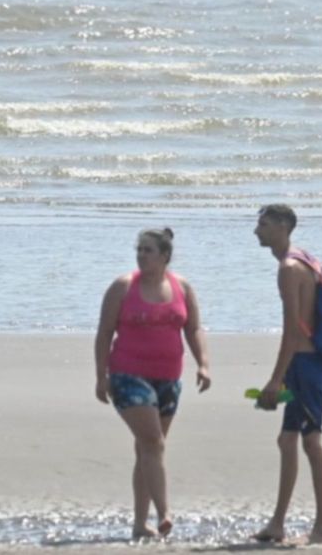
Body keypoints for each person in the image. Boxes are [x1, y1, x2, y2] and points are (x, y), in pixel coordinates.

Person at [94, 227, 211, 540]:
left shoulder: (182, 287)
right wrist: (100, 376)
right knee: (154, 444)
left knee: (147, 450)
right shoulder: (123, 287)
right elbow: (104, 332)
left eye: (148, 250)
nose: (141, 255)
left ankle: (139, 524)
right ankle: (164, 513)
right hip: (127, 374)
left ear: (164, 256)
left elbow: (194, 328)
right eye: (139, 249)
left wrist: (203, 364)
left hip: (169, 378)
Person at [251, 204, 322, 545]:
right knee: (288, 440)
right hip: (305, 363)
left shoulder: (289, 267)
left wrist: (275, 378)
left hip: (306, 364)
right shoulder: (305, 259)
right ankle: (277, 524)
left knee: (311, 441)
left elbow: (292, 331)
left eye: (264, 224)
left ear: (284, 226)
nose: (257, 231)